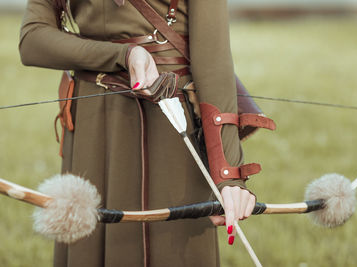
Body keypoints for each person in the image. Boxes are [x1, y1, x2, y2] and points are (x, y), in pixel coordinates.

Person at [19, 0, 258, 266]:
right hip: (93, 122)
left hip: (168, 122)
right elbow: (32, 40)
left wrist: (229, 176)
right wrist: (123, 55)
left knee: (170, 248)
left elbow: (213, 61)